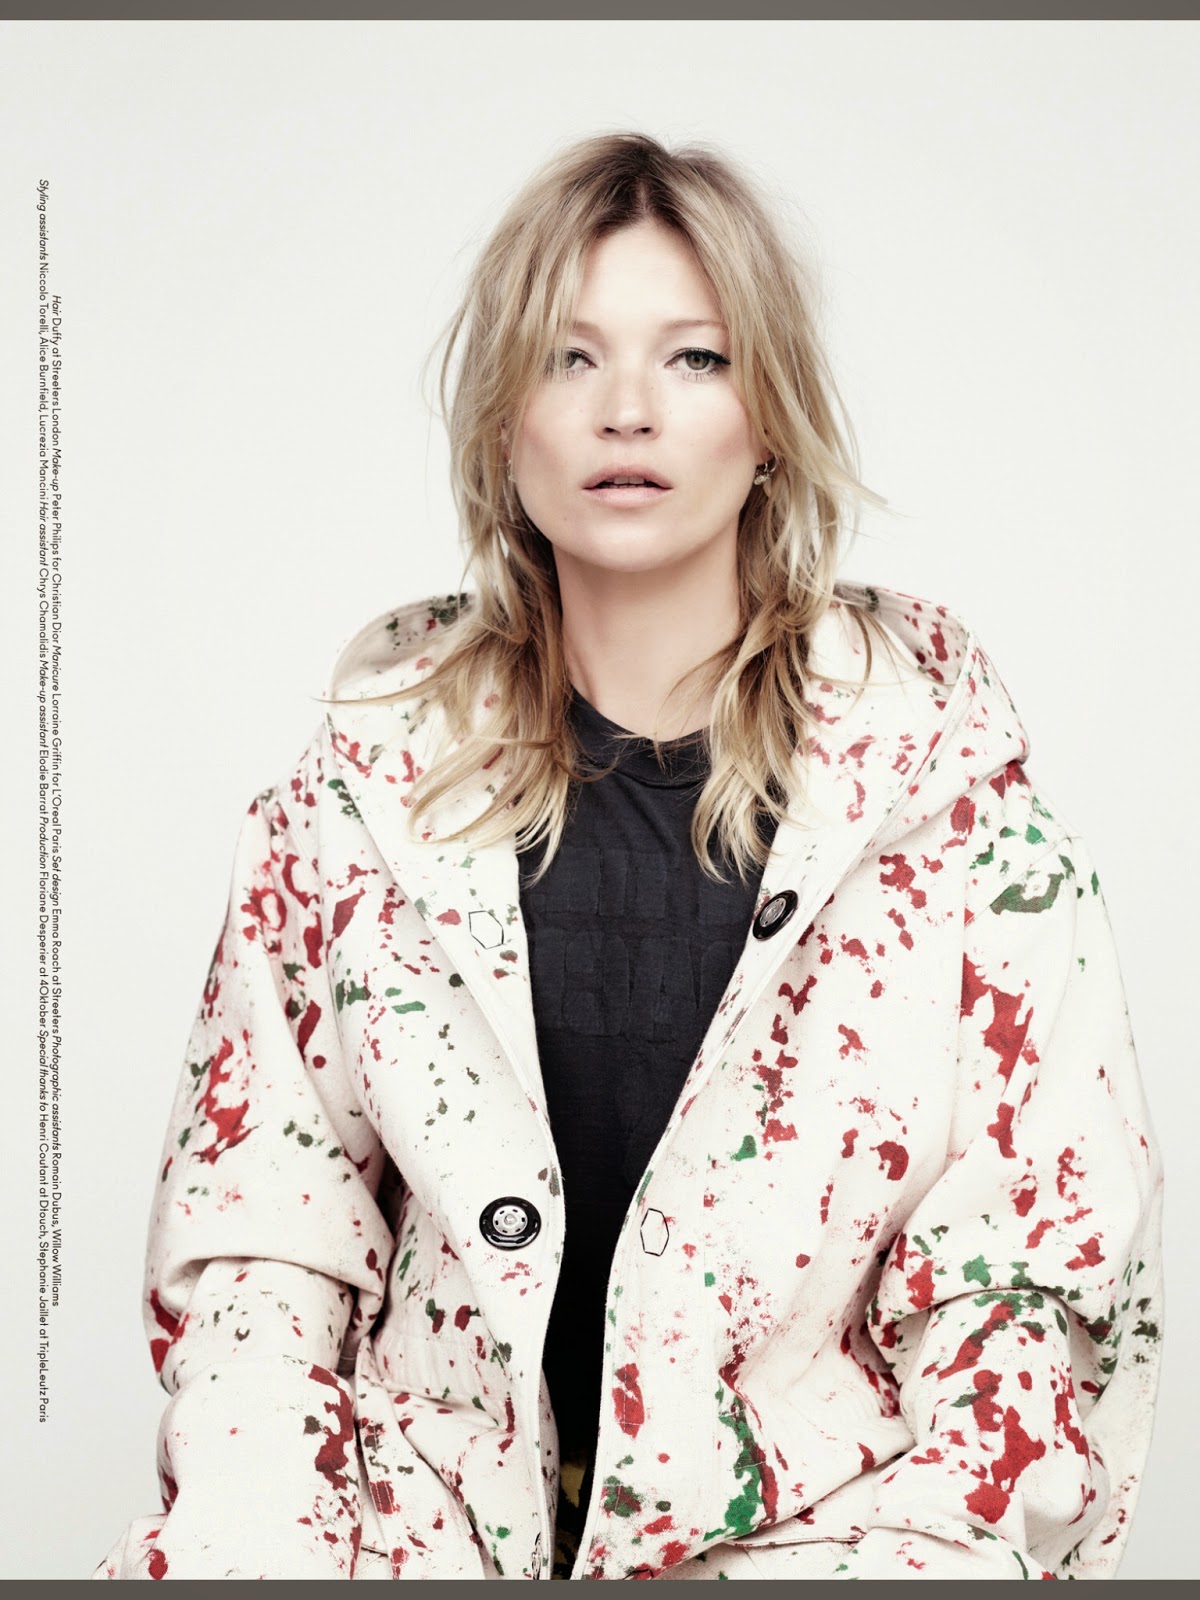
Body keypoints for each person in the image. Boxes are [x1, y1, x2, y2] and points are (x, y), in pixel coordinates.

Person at [94, 132, 1162, 1582]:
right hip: (414, 1543)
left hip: (833, 1545)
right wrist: (266, 1540)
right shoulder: (354, 807)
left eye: (695, 358)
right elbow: (262, 1253)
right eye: (570, 357)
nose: (629, 410)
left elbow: (1026, 1294)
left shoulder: (962, 825)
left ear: (770, 415)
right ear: (503, 423)